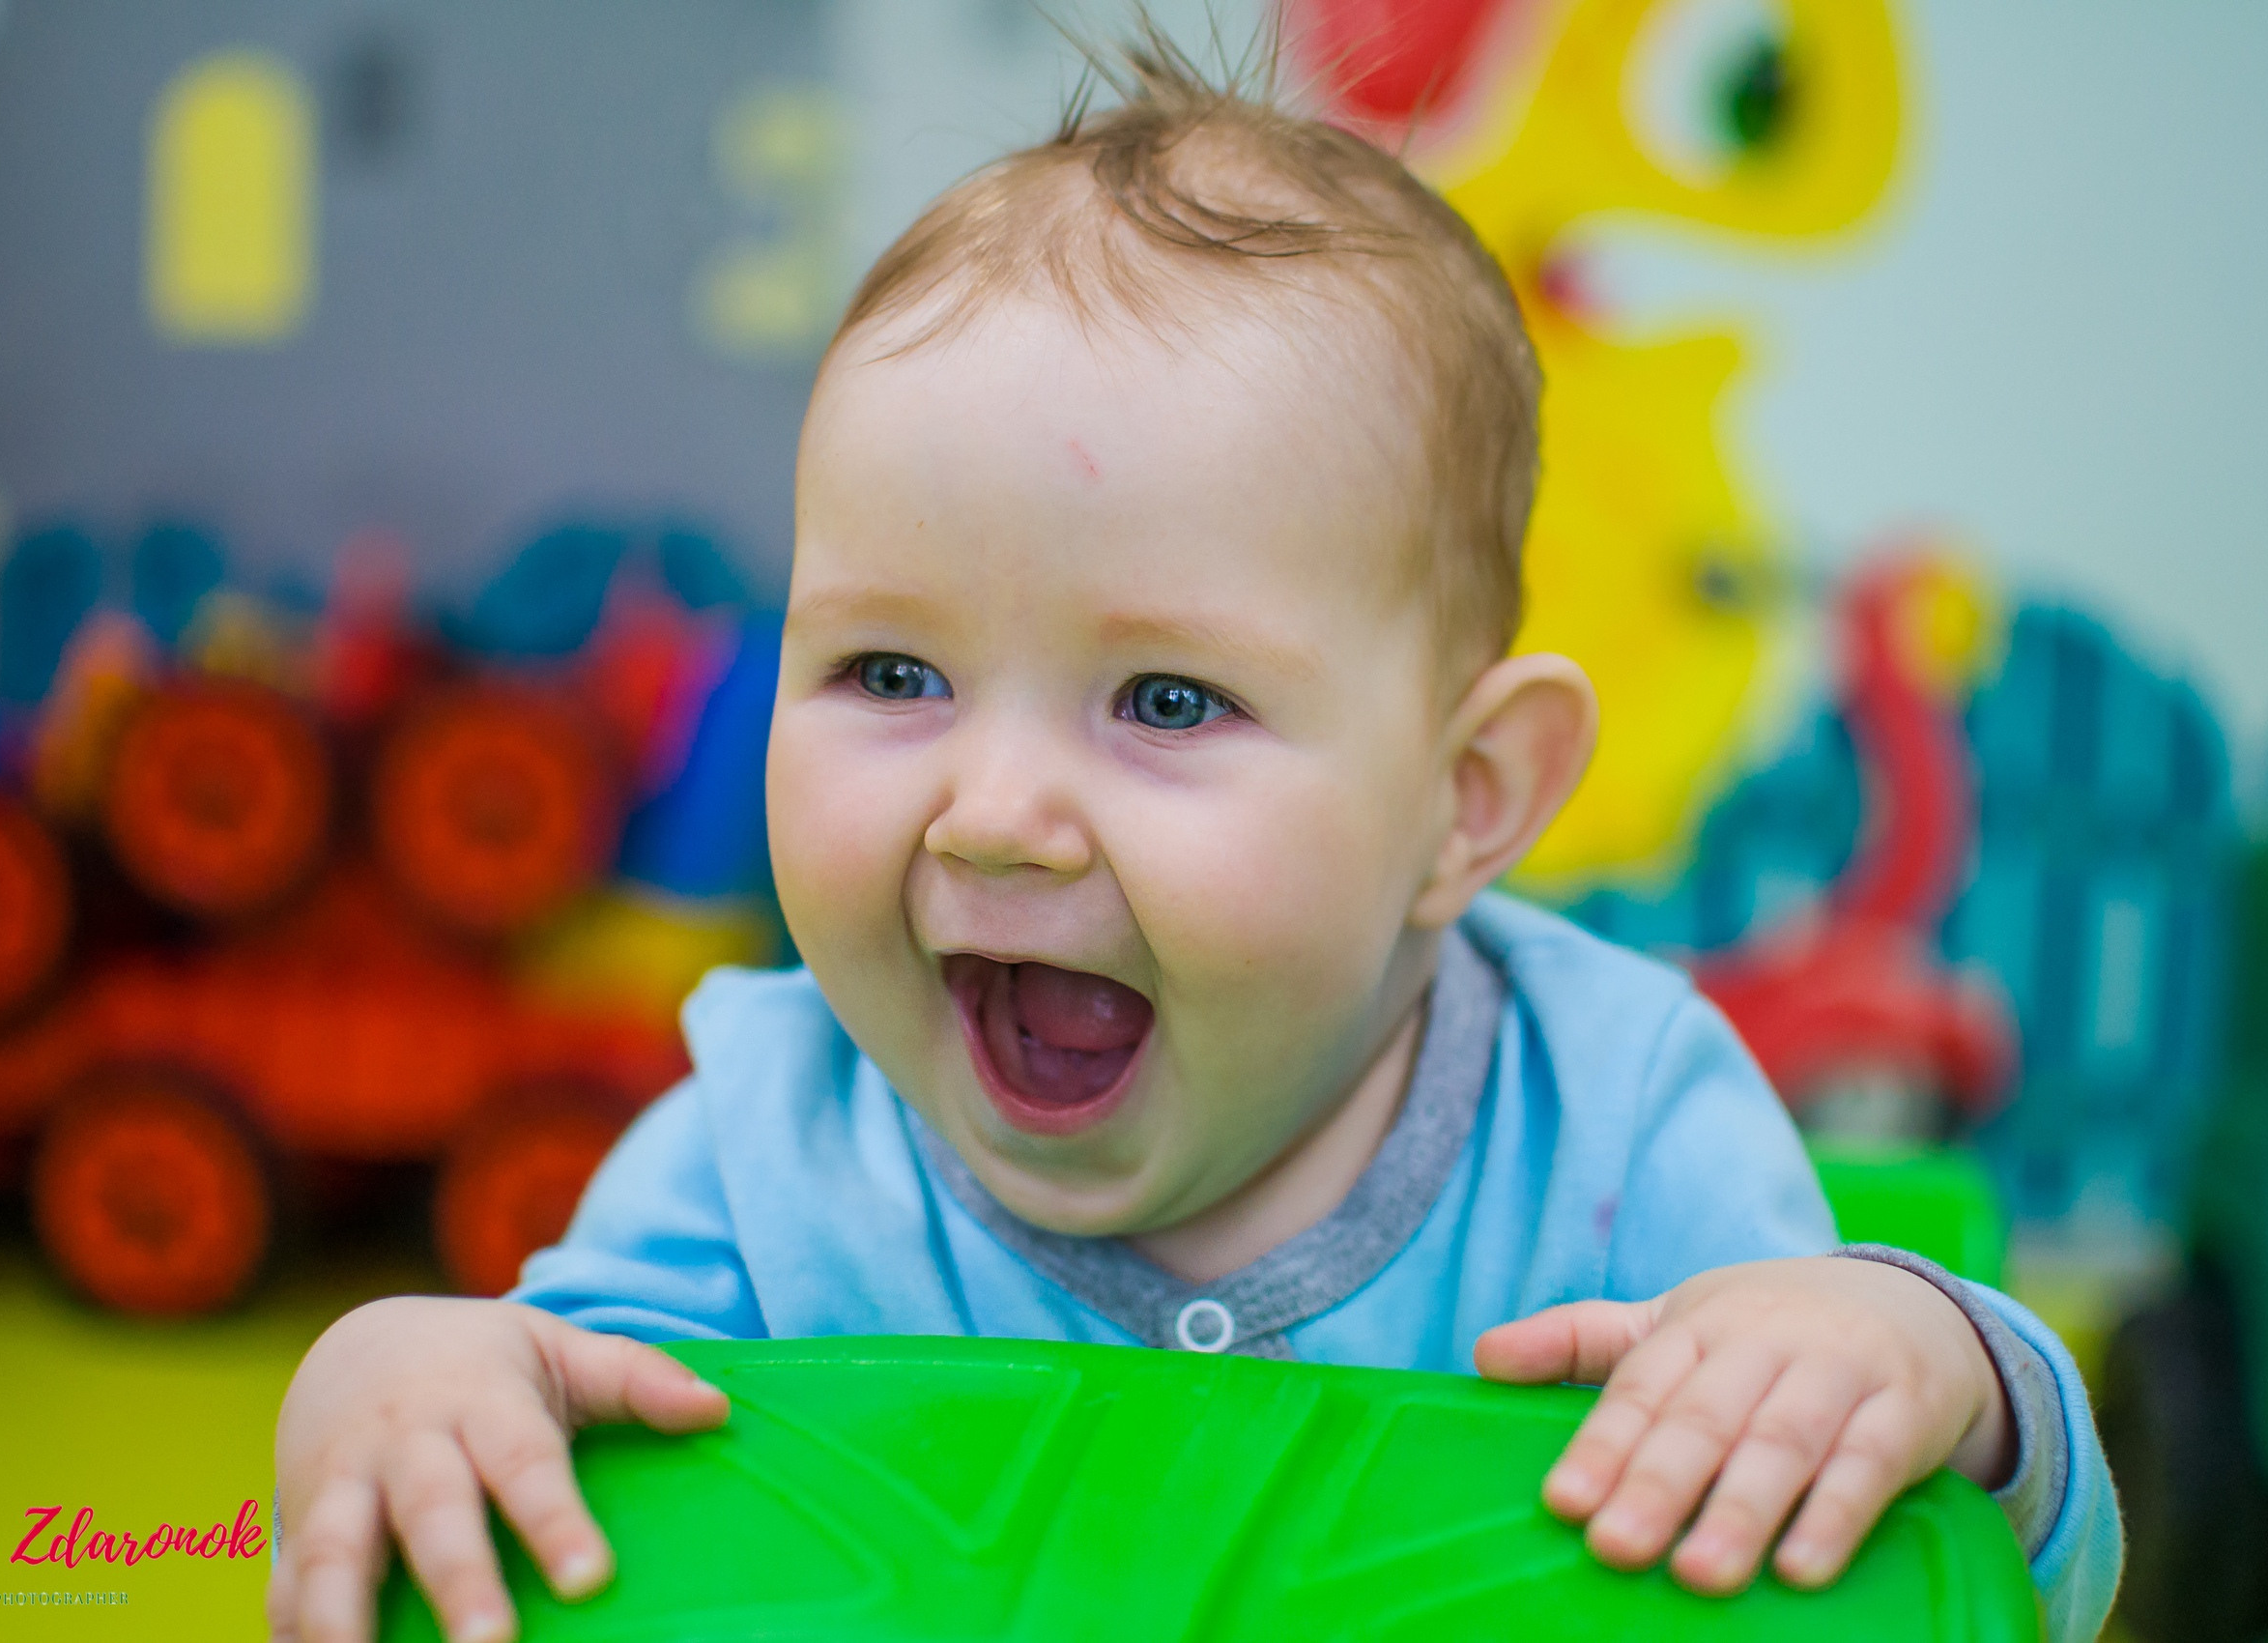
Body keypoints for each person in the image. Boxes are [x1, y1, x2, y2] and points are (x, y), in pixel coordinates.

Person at [269, 41, 2119, 1643]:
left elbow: (1985, 1571)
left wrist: (1936, 1374)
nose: (990, 814)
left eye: (1165, 701)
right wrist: (425, 1369)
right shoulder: (770, 1150)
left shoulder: (1621, 1129)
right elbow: (575, 1452)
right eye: (890, 667)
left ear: (1464, 803)